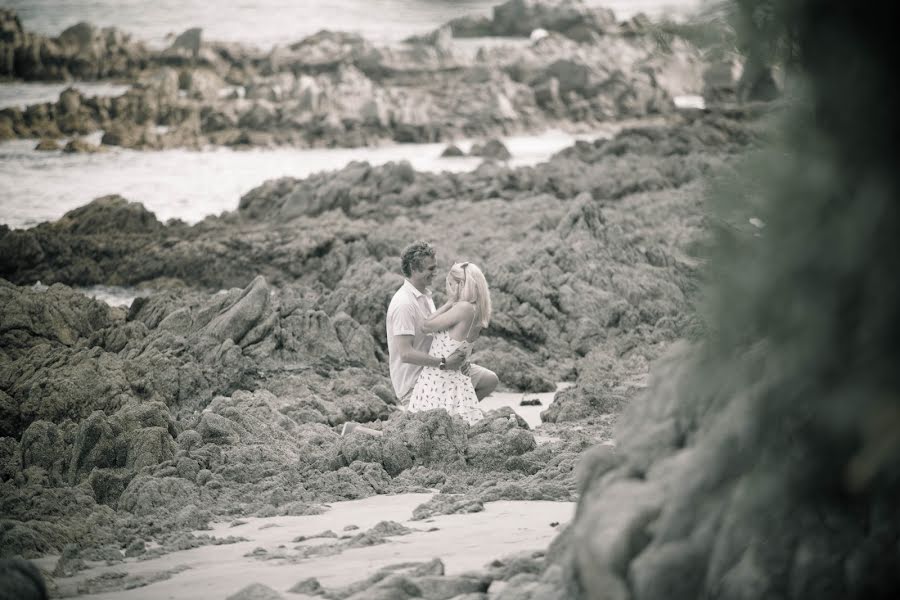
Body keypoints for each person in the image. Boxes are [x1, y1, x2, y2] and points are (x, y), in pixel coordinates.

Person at [406, 260, 493, 425]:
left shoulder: (463, 308)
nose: (448, 288)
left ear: (459, 285)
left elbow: (425, 326)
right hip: (457, 384)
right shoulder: (478, 310)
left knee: (419, 434)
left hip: (436, 383)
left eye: (450, 283)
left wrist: (449, 302)